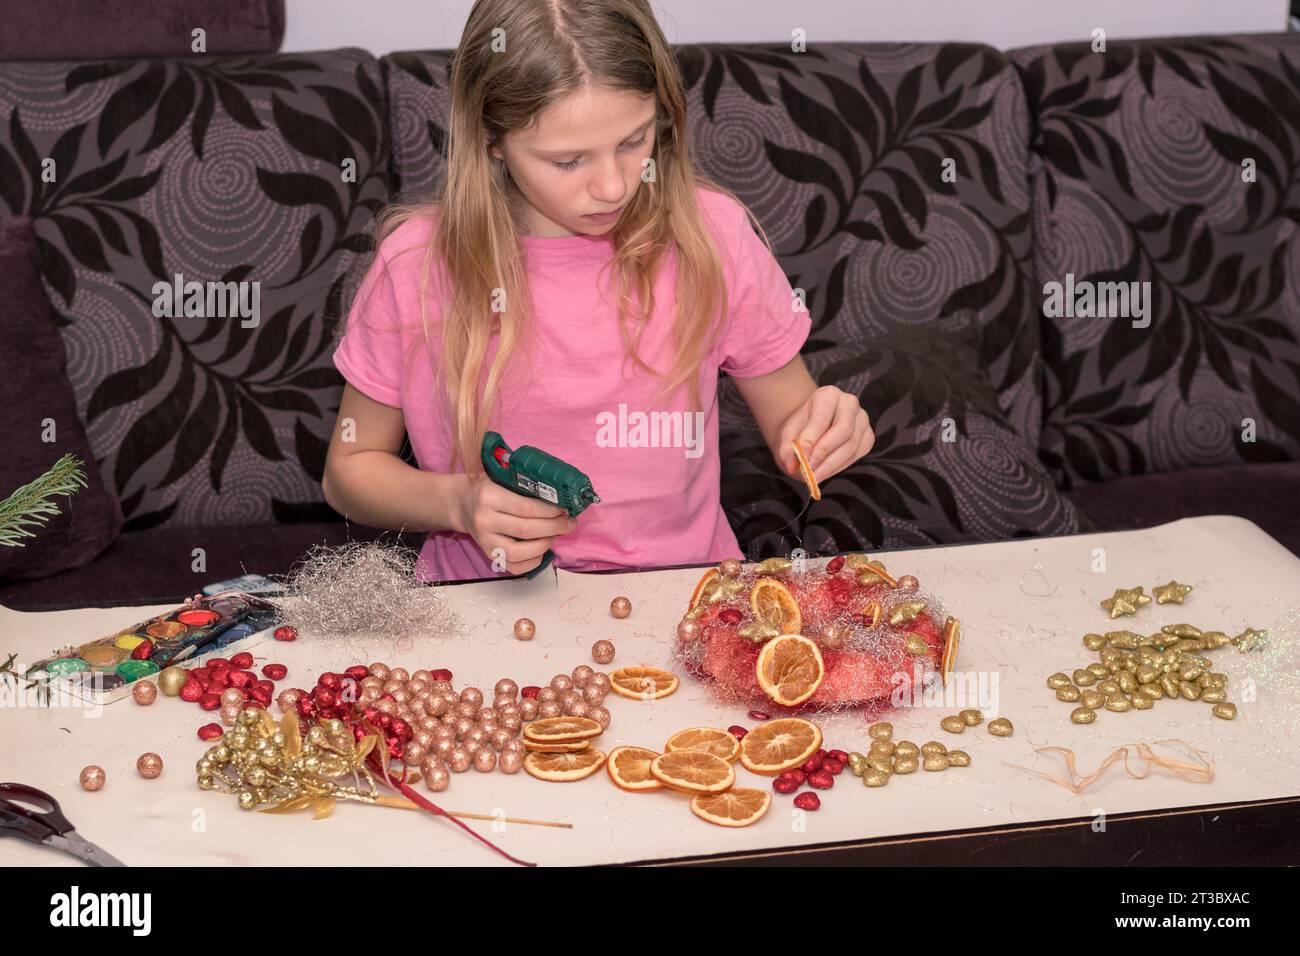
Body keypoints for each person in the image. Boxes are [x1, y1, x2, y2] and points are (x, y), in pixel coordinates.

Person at [323, 0, 874, 582]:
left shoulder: (712, 236)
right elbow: (349, 471)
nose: (613, 187)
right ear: (490, 138)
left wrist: (824, 430)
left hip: (685, 599)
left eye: (635, 141)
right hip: (481, 612)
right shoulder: (416, 264)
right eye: (567, 161)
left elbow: (795, 425)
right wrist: (459, 503)